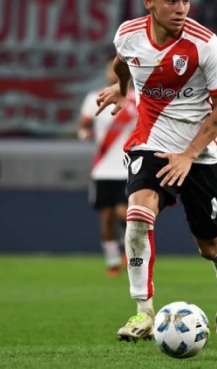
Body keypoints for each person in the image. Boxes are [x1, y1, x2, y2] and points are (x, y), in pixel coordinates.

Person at [94, 0, 217, 341]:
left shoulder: (205, 45)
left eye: (186, 0)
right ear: (150, 1)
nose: (181, 9)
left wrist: (189, 155)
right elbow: (123, 63)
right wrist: (122, 89)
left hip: (201, 154)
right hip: (152, 143)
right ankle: (143, 312)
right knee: (137, 216)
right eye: (172, 0)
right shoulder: (128, 35)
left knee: (209, 246)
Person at [79, 61, 137, 277]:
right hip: (103, 168)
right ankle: (112, 261)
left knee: (124, 212)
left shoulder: (137, 99)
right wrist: (85, 134)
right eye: (111, 69)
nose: (114, 73)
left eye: (118, 69)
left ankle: (128, 249)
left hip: (127, 167)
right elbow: (84, 126)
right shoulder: (94, 98)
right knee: (106, 216)